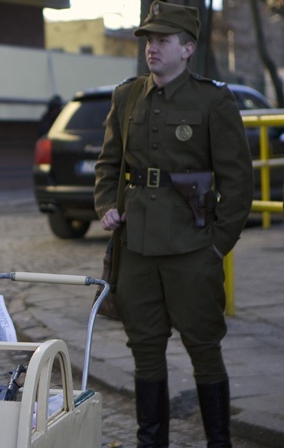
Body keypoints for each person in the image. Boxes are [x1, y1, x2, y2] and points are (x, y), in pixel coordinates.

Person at [93, 2, 253, 447]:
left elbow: (238, 184)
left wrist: (215, 247)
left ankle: (218, 441)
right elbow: (108, 164)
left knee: (203, 347)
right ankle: (151, 441)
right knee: (144, 350)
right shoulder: (126, 96)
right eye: (148, 40)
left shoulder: (212, 100)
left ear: (187, 48)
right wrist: (105, 204)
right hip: (137, 250)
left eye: (162, 40)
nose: (152, 48)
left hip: (192, 250)